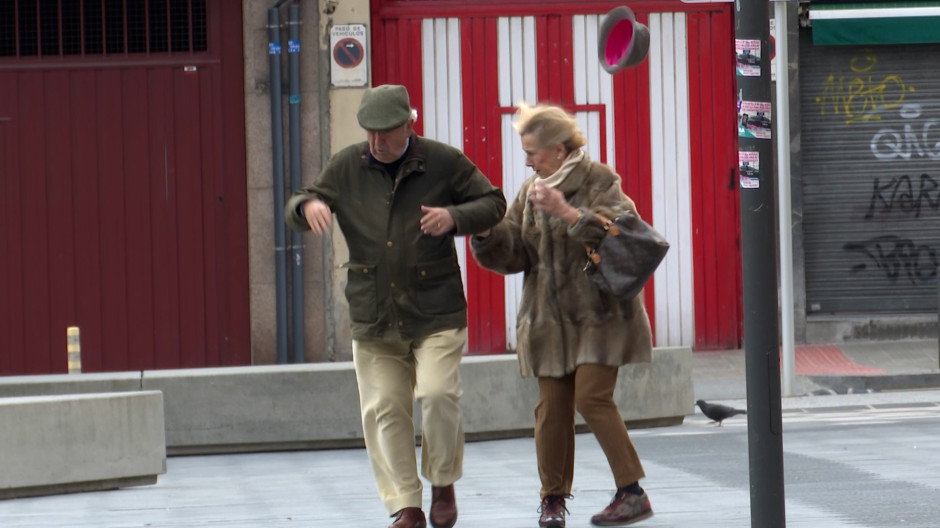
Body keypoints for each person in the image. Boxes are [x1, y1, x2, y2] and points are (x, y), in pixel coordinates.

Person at [285, 84, 507, 528]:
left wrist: (454, 218)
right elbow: (300, 200)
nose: (376, 142)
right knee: (384, 407)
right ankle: (406, 505)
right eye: (369, 132)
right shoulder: (348, 165)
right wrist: (308, 205)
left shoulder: (443, 161)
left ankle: (442, 482)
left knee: (438, 393)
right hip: (375, 314)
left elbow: (494, 202)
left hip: (436, 310)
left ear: (410, 123)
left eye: (386, 132)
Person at [470, 102, 654, 528]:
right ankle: (553, 500)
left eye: (532, 151)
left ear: (557, 147)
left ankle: (632, 492)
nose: (527, 160)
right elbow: (515, 254)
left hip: (601, 316)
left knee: (592, 397)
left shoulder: (600, 180)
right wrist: (485, 233)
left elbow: (626, 232)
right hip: (549, 320)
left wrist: (568, 212)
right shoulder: (529, 192)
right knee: (551, 410)